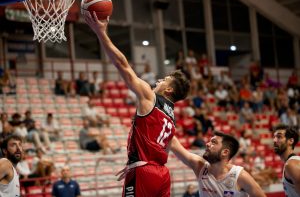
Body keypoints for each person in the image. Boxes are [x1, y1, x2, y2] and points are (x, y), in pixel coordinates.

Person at [84, 12, 190, 197]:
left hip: (144, 172)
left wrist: (101, 33)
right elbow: (158, 149)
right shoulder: (172, 119)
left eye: (164, 80)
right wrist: (136, 163)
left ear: (169, 90)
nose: (159, 80)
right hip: (162, 174)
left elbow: (122, 65)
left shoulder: (151, 97)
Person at [170, 131, 266, 197]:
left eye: (213, 142)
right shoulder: (199, 166)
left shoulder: (240, 176)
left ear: (225, 152)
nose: (207, 144)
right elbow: (173, 142)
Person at [273, 125, 300, 196]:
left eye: (279, 137)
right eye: (274, 137)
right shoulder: (290, 163)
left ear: (291, 141)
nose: (274, 140)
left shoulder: (292, 164)